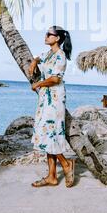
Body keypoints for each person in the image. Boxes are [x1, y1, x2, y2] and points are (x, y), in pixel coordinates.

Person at [28, 26, 75, 188]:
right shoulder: (48, 54)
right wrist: (34, 62)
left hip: (54, 99)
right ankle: (52, 176)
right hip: (45, 99)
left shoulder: (60, 56)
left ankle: (66, 163)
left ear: (57, 39)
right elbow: (39, 57)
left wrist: (38, 83)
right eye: (46, 33)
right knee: (47, 135)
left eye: (49, 34)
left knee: (51, 134)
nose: (46, 36)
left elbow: (55, 79)